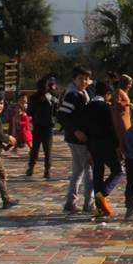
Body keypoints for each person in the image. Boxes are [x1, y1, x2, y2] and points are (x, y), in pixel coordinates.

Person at [57, 65, 94, 212]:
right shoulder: (73, 95)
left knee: (78, 170)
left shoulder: (82, 93)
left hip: (78, 138)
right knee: (88, 169)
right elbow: (61, 115)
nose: (83, 81)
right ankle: (88, 203)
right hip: (78, 139)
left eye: (86, 79)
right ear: (74, 79)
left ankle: (70, 202)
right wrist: (75, 131)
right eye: (80, 79)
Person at [84, 80, 121, 218]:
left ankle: (99, 208)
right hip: (106, 144)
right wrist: (117, 146)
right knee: (117, 171)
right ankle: (103, 193)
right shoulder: (105, 107)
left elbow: (86, 129)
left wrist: (88, 149)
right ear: (107, 94)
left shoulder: (88, 107)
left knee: (97, 174)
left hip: (93, 145)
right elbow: (111, 128)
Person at [26, 76, 58, 178]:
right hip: (48, 125)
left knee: (35, 148)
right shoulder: (52, 97)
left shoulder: (33, 98)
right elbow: (56, 109)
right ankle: (47, 170)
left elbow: (29, 112)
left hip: (37, 125)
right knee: (47, 149)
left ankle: (31, 168)